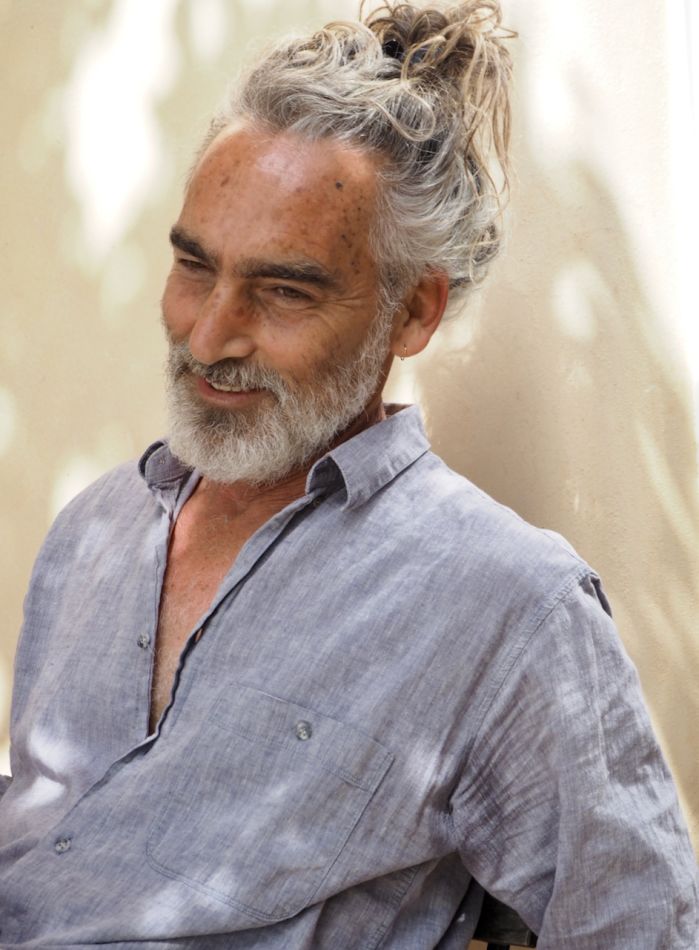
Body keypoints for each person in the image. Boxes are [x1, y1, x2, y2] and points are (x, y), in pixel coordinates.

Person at [0, 1, 696, 946]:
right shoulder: (95, 528)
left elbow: (638, 927)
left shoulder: (506, 607)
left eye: (284, 290)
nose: (209, 335)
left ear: (412, 314)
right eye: (195, 267)